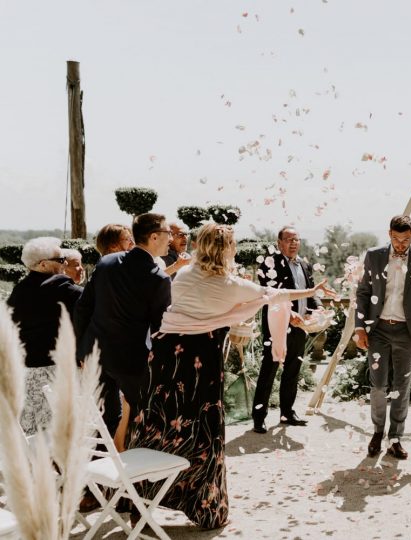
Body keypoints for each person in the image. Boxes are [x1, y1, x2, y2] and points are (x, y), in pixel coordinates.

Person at [128, 223, 335, 529]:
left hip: (165, 355)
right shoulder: (230, 284)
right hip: (201, 358)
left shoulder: (184, 274)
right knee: (202, 427)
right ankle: (205, 506)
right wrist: (313, 291)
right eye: (233, 244)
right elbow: (274, 295)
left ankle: (140, 497)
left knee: (159, 420)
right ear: (224, 250)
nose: (235, 249)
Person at [74, 213, 173, 449]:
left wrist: (81, 350)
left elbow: (82, 308)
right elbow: (159, 329)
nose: (170, 239)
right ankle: (133, 471)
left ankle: (96, 473)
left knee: (104, 417)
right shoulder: (158, 278)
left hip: (94, 352)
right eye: (168, 234)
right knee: (140, 414)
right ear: (154, 236)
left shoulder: (107, 263)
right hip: (130, 360)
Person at [355, 215, 411, 460]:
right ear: (389, 234)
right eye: (397, 239)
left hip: (407, 331)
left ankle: (396, 437)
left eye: (406, 240)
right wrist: (360, 328)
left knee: (402, 386)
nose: (401, 245)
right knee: (378, 385)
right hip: (378, 329)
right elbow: (363, 292)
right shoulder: (374, 255)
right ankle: (378, 432)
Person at [7, 237, 83, 435]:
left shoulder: (18, 291)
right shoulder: (67, 291)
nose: (65, 264)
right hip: (57, 371)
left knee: (33, 431)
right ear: (43, 264)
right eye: (61, 260)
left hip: (27, 371)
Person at [252, 226, 323, 431]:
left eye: (296, 239)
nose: (293, 243)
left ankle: (287, 413)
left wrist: (317, 308)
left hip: (300, 327)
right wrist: (287, 312)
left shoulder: (305, 264)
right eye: (289, 239)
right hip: (277, 326)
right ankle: (259, 417)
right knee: (269, 369)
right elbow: (269, 293)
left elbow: (311, 292)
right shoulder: (269, 263)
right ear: (279, 243)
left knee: (293, 370)